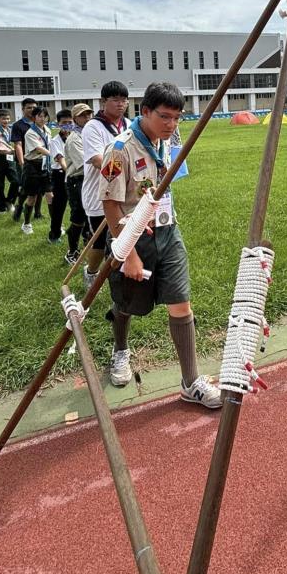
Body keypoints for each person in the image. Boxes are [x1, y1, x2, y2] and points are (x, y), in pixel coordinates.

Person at [99, 81, 220, 408]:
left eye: (177, 118)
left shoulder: (168, 139)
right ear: (145, 112)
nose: (172, 125)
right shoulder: (120, 149)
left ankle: (190, 381)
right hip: (132, 237)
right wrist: (130, 255)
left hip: (169, 232)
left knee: (181, 303)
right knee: (129, 305)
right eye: (165, 117)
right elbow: (110, 204)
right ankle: (120, 350)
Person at [81, 82, 131, 286]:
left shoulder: (128, 125)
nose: (121, 104)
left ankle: (121, 277)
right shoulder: (93, 127)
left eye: (124, 100)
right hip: (99, 194)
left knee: (124, 237)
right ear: (103, 102)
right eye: (115, 100)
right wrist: (128, 173)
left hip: (125, 192)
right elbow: (97, 160)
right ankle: (91, 271)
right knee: (101, 241)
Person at [63, 103, 93, 264]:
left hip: (90, 178)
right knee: (78, 216)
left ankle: (88, 246)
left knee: (90, 215)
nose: (87, 118)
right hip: (78, 180)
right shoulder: (74, 139)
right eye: (83, 115)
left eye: (89, 114)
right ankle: (72, 251)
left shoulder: (91, 134)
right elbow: (85, 163)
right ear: (75, 119)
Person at [20, 106, 53, 234]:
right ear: (34, 118)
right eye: (39, 116)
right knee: (32, 197)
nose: (42, 118)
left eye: (45, 116)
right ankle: (27, 223)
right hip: (32, 166)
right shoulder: (30, 133)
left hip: (45, 165)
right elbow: (39, 149)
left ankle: (54, 224)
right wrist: (54, 154)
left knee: (50, 196)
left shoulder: (48, 130)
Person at [48, 109, 72, 243]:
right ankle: (54, 234)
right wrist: (70, 173)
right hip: (61, 175)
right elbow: (61, 159)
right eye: (64, 123)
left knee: (78, 205)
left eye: (70, 122)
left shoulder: (77, 137)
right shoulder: (55, 141)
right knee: (59, 206)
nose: (67, 125)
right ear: (58, 124)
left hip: (75, 174)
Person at [11, 98, 37, 221]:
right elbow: (18, 145)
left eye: (33, 107)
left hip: (39, 160)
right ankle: (19, 207)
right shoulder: (18, 125)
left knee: (40, 187)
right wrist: (22, 162)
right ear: (23, 109)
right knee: (26, 188)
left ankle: (37, 213)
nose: (32, 110)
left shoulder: (39, 123)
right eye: (29, 107)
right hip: (26, 161)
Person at [0, 110, 19, 213]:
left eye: (7, 118)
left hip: (9, 158)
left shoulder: (10, 130)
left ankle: (9, 201)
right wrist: (10, 151)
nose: (6, 121)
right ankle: (0, 208)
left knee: (16, 181)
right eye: (3, 119)